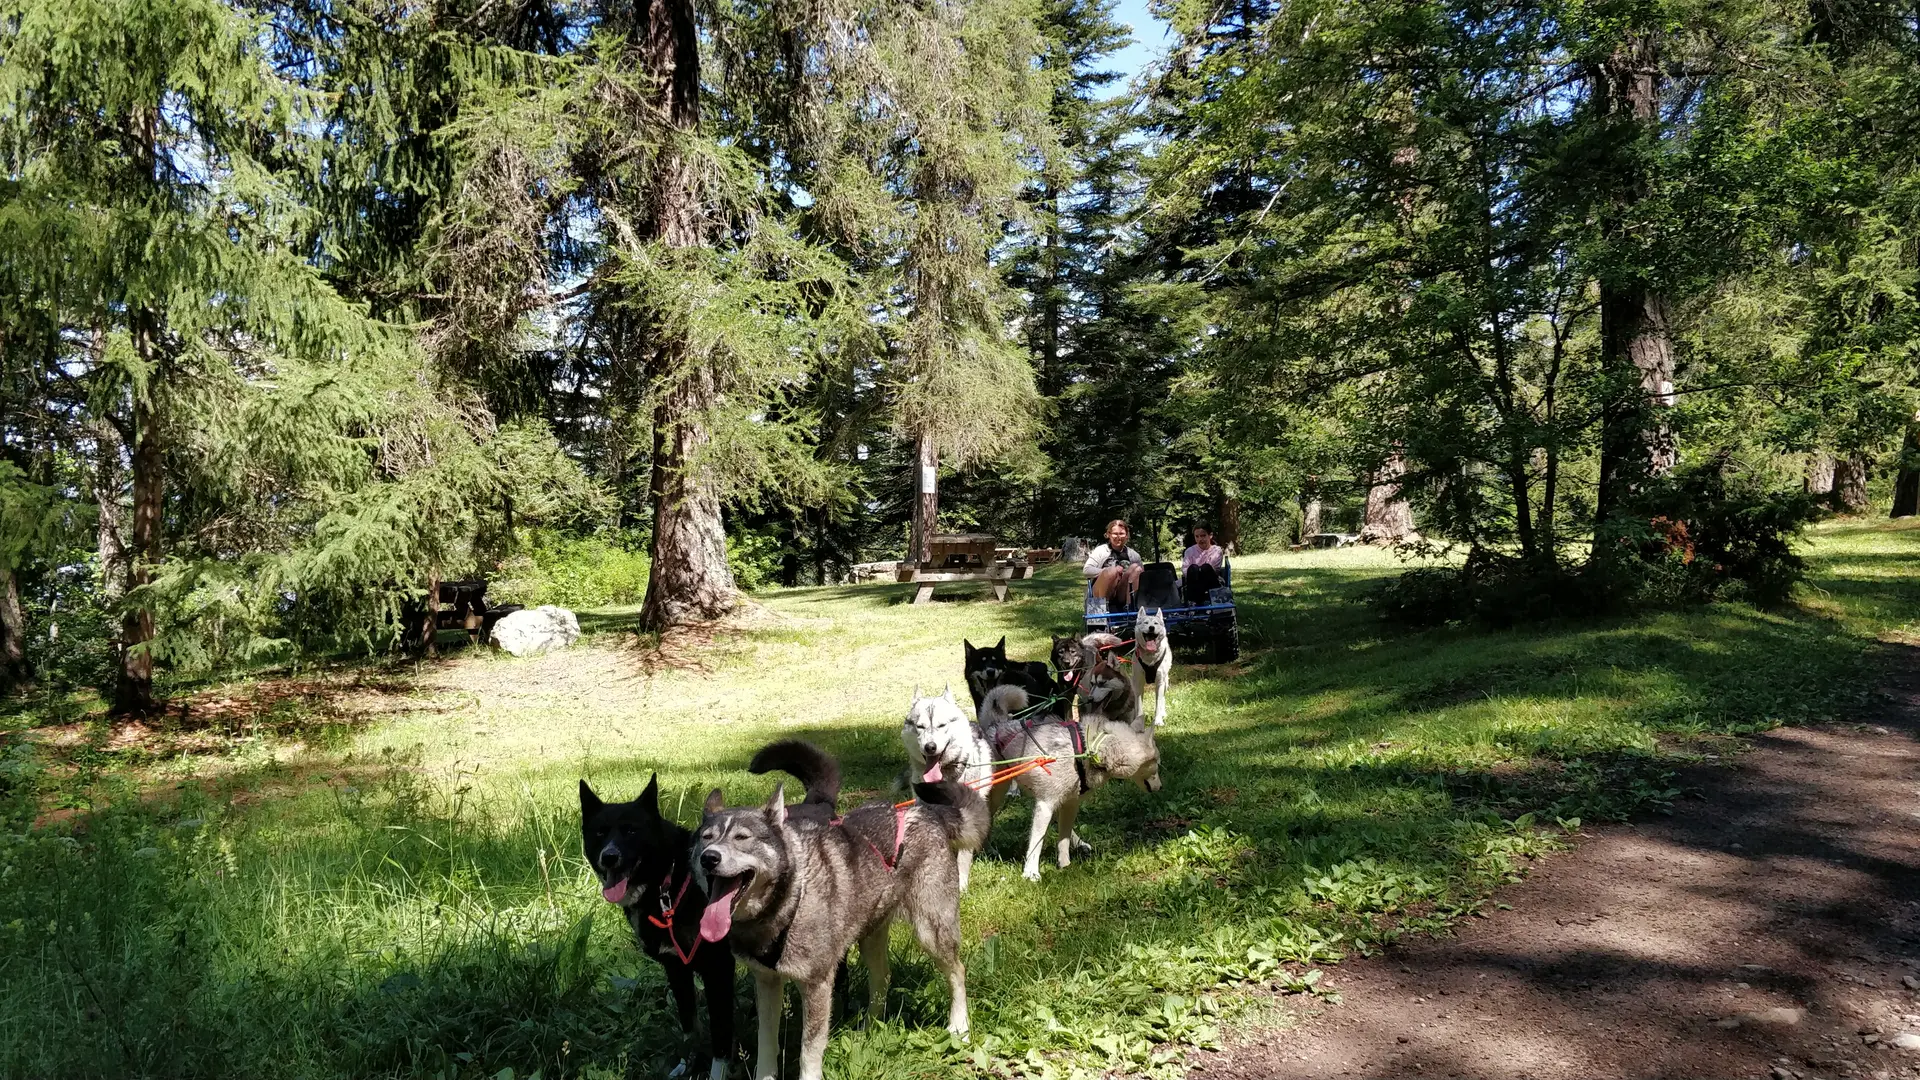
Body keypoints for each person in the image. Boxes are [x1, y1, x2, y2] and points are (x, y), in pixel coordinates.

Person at [1082, 519, 1144, 614]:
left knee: (1137, 568)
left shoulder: (1133, 555)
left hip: (1122, 592)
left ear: (1127, 535)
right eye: (1115, 534)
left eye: (1121, 533)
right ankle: (1101, 611)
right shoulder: (1101, 551)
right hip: (1101, 591)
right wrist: (1107, 571)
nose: (1118, 537)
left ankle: (1130, 608)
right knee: (1112, 571)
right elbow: (1087, 570)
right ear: (1109, 534)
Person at [1181, 523, 1225, 605]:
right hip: (1193, 581)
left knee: (1206, 568)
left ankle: (1199, 601)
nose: (1200, 539)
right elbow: (1185, 570)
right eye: (1197, 536)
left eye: (1203, 536)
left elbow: (1214, 569)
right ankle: (1193, 602)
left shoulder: (1217, 551)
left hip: (1211, 581)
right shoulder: (1189, 551)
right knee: (1193, 568)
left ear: (1210, 535)